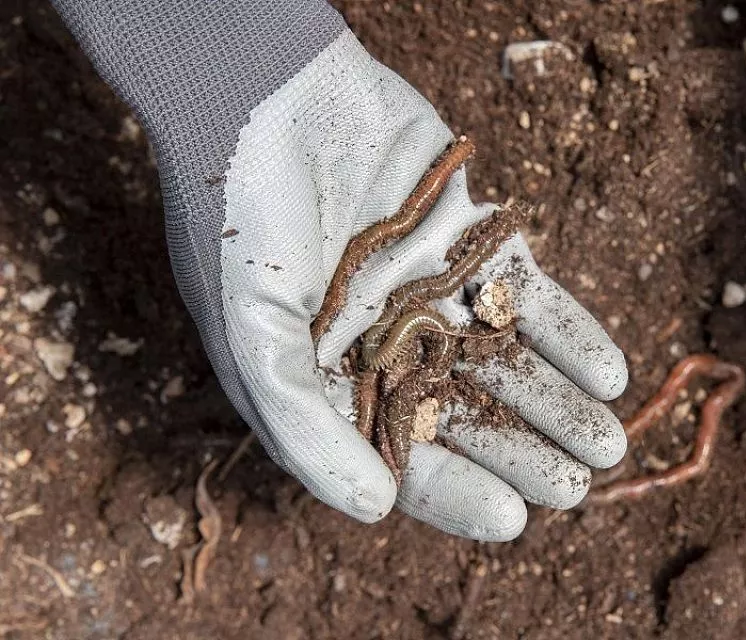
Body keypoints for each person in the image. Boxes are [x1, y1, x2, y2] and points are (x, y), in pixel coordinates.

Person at [49, 0, 629, 542]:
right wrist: (232, 55)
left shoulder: (412, 319)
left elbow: (407, 302)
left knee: (412, 287)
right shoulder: (397, 328)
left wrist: (237, 32)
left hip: (406, 323)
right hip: (398, 324)